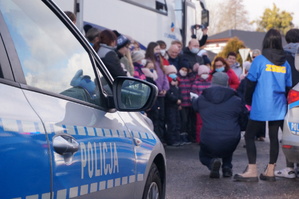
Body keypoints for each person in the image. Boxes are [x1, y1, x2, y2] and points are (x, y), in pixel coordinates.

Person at [234, 28, 292, 182]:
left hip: (261, 102)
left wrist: (247, 100)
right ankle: (270, 170)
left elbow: (250, 82)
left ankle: (252, 170)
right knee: (274, 137)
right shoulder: (285, 62)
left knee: (249, 135)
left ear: (265, 41)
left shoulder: (259, 60)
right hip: (279, 104)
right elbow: (288, 86)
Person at [192, 72, 243, 178]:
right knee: (227, 145)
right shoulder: (236, 100)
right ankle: (227, 167)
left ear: (212, 82)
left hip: (208, 137)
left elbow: (195, 107)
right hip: (231, 138)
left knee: (204, 154)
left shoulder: (202, 98)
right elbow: (243, 117)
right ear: (227, 83)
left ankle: (212, 163)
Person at [275, 28, 299, 179]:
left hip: (289, 97)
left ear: (287, 39)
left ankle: (290, 168)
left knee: (289, 132)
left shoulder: (282, 56)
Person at [145, 42, 169, 143]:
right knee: (154, 116)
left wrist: (165, 88)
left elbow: (164, 77)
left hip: (161, 95)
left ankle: (161, 138)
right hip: (155, 94)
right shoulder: (149, 62)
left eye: (159, 49)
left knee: (161, 117)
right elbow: (152, 78)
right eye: (156, 49)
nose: (158, 52)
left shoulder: (160, 62)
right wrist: (158, 89)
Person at [191, 64, 211, 144]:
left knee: (208, 123)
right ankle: (199, 139)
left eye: (206, 72)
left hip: (209, 106)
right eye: (203, 73)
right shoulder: (196, 83)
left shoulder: (210, 82)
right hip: (200, 106)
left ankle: (208, 138)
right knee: (199, 124)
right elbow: (194, 95)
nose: (205, 74)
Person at [177, 62, 196, 144]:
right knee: (183, 121)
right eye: (183, 69)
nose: (184, 71)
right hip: (182, 104)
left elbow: (193, 79)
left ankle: (187, 136)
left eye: (186, 70)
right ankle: (181, 136)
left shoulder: (189, 78)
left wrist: (191, 72)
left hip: (189, 103)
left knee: (188, 121)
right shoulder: (178, 78)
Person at [164, 65, 182, 146]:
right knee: (171, 123)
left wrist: (180, 101)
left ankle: (176, 139)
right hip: (170, 106)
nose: (173, 74)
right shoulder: (167, 84)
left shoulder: (176, 84)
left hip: (176, 107)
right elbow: (168, 95)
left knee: (177, 123)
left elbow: (179, 93)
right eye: (171, 73)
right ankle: (171, 140)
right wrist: (175, 100)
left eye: (174, 72)